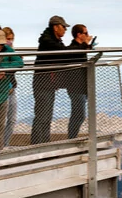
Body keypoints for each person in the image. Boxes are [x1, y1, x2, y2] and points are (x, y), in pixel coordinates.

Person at [30, 16, 87, 144]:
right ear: (56, 27)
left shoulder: (54, 40)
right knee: (42, 117)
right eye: (63, 27)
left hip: (48, 84)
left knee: (46, 118)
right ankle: (37, 146)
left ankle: (43, 145)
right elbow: (64, 54)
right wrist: (82, 45)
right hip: (43, 83)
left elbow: (66, 54)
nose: (65, 30)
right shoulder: (48, 41)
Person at [1, 26, 19, 146]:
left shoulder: (11, 52)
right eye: (8, 38)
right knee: (1, 120)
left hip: (11, 88)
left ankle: (5, 144)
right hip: (2, 90)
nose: (10, 41)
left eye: (12, 39)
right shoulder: (2, 52)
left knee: (12, 119)